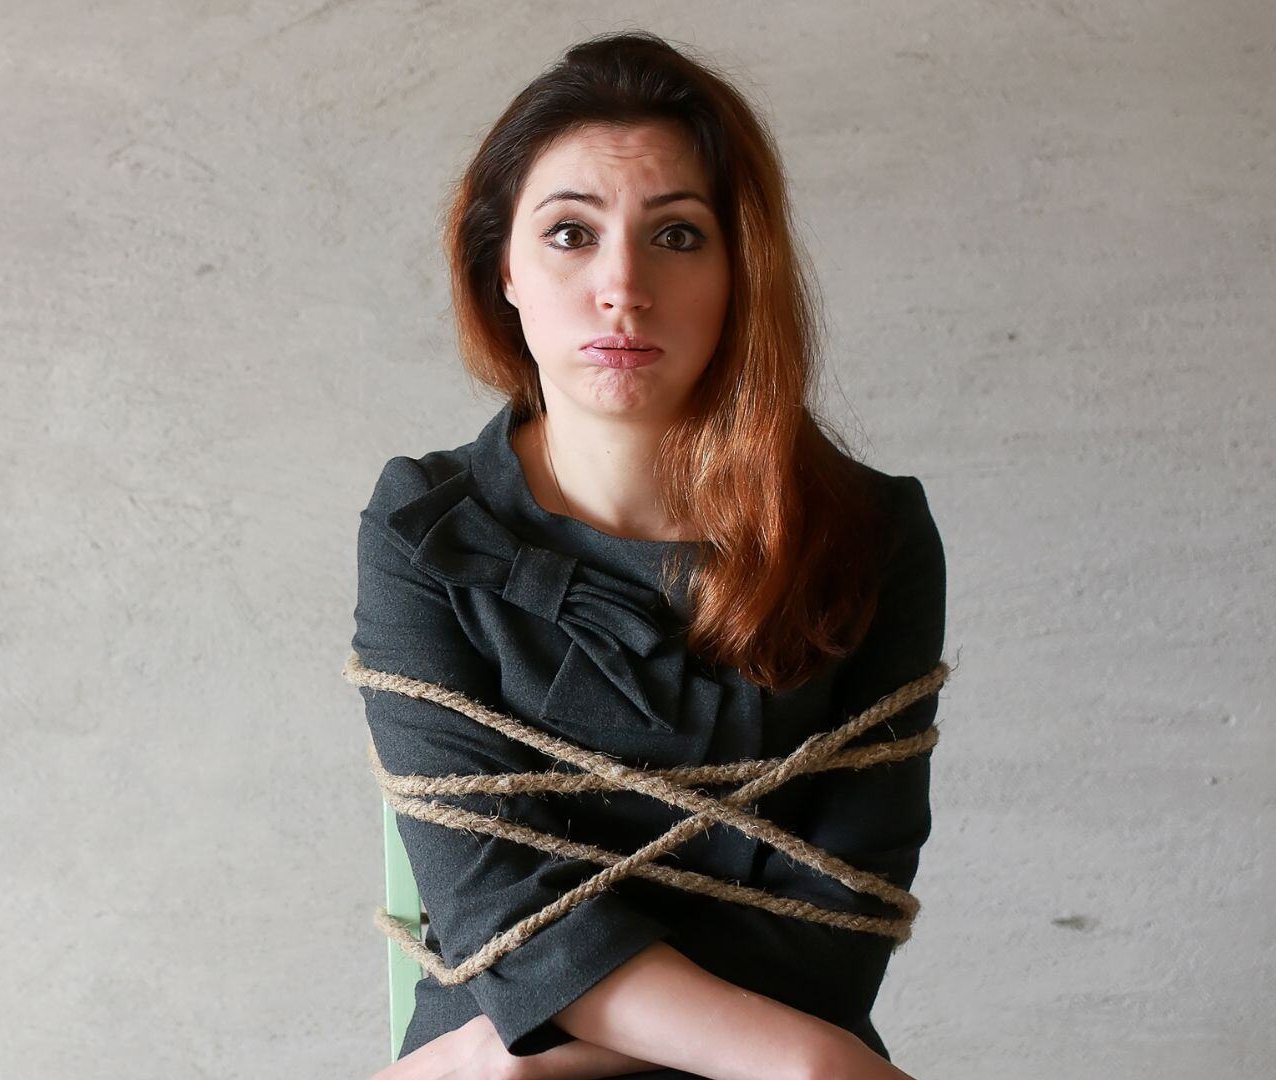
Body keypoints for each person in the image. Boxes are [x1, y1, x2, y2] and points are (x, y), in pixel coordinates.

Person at [349, 30, 948, 1080]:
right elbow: (492, 906)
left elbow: (842, 921)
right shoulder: (422, 528)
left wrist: (521, 1060)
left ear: (738, 273)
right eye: (572, 235)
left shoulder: (873, 535)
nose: (622, 287)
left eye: (676, 237)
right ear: (504, 272)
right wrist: (807, 1062)